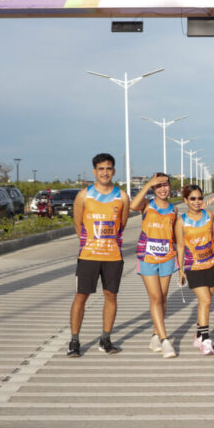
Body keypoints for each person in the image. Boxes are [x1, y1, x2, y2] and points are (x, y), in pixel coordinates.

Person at [67, 153, 129, 357]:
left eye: (109, 168)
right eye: (101, 169)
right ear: (94, 171)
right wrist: (90, 243)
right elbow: (78, 224)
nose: (105, 172)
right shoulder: (84, 196)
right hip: (89, 255)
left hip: (113, 256)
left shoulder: (122, 197)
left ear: (114, 171)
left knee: (110, 296)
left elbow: (121, 225)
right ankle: (74, 341)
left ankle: (105, 339)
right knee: (81, 296)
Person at [130, 173, 177, 358]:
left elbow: (174, 234)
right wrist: (148, 183)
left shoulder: (174, 209)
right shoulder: (147, 205)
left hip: (167, 257)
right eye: (158, 186)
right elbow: (133, 205)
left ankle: (155, 335)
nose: (163, 189)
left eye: (165, 185)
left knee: (163, 298)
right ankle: (165, 340)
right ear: (153, 189)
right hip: (147, 257)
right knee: (155, 297)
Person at [175, 184, 214, 356]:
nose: (197, 201)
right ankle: (206, 340)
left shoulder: (209, 215)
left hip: (212, 263)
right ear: (185, 200)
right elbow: (180, 246)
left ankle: (199, 335)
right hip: (193, 266)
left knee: (206, 303)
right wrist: (180, 270)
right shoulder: (181, 222)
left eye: (199, 198)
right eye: (192, 198)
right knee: (206, 301)